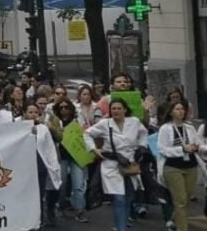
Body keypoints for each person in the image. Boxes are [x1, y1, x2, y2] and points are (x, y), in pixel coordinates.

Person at [85, 98, 148, 231]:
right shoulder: (105, 124)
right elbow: (87, 134)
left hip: (130, 162)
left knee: (129, 196)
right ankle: (121, 228)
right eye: (113, 108)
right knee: (119, 198)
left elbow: (143, 133)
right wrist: (94, 149)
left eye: (119, 108)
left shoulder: (134, 122)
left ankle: (123, 224)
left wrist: (142, 146)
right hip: (111, 163)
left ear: (125, 110)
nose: (116, 111)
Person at [157, 99, 201, 231]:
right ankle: (183, 228)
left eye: (182, 109)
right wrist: (182, 149)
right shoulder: (165, 128)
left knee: (186, 199)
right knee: (180, 201)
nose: (181, 111)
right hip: (173, 167)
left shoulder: (190, 127)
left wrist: (197, 147)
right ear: (171, 112)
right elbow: (162, 149)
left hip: (191, 166)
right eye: (177, 109)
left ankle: (174, 220)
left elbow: (197, 143)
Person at [52, 99, 89, 222]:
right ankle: (62, 206)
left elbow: (85, 135)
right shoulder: (55, 122)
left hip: (76, 157)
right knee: (62, 185)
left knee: (78, 185)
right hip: (61, 157)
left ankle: (80, 211)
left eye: (66, 107)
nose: (64, 110)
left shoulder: (78, 120)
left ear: (71, 109)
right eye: (61, 107)